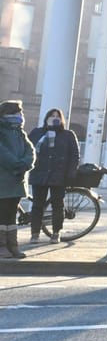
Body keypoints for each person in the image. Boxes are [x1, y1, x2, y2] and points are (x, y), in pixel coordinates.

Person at [27, 107, 80, 243]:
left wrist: (70, 173)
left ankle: (56, 232)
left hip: (59, 175)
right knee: (38, 205)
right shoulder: (38, 132)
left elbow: (74, 155)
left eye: (57, 116)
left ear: (61, 119)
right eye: (52, 116)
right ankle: (35, 234)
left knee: (58, 205)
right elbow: (28, 148)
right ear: (46, 119)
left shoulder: (68, 134)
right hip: (39, 173)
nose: (54, 118)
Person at [0, 101, 35, 259]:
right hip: (4, 179)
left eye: (19, 113)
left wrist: (26, 163)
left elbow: (30, 150)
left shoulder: (20, 132)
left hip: (17, 180)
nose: (19, 116)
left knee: (12, 215)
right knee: (3, 214)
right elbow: (2, 153)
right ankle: (2, 247)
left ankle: (13, 246)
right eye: (15, 113)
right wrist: (17, 164)